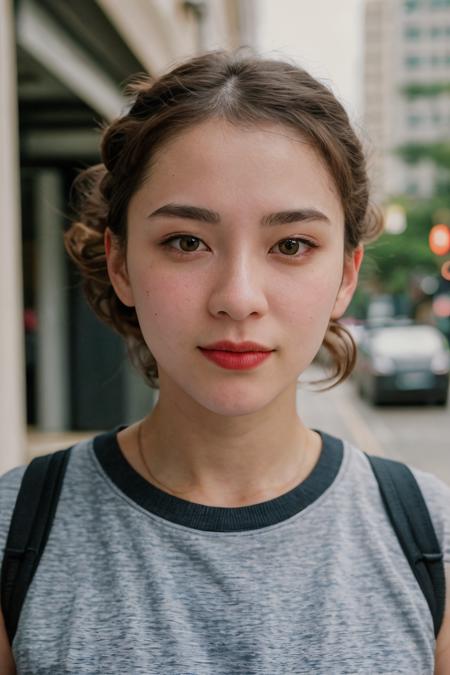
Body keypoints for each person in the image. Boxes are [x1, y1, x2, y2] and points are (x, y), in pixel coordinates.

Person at [0, 49, 449, 674]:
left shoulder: (431, 538)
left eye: (291, 245)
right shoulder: (14, 534)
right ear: (123, 262)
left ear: (346, 274)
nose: (239, 297)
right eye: (187, 242)